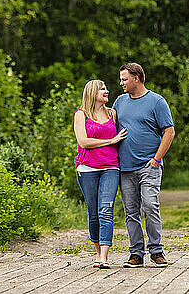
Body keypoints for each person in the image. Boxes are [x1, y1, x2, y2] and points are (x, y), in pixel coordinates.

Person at [112, 63, 175, 268]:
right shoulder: (119, 102)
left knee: (149, 205)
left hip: (149, 165)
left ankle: (156, 251)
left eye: (124, 79)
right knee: (131, 211)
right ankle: (136, 254)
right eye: (121, 79)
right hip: (125, 167)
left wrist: (157, 159)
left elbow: (169, 132)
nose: (121, 83)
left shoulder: (156, 101)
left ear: (136, 78)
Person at [73, 79, 128, 269]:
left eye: (106, 88)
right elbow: (84, 141)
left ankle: (104, 257)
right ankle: (97, 253)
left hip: (110, 167)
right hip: (87, 169)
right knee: (93, 213)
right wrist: (111, 140)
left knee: (106, 210)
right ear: (92, 93)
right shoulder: (81, 115)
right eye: (102, 89)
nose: (107, 91)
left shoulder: (112, 113)